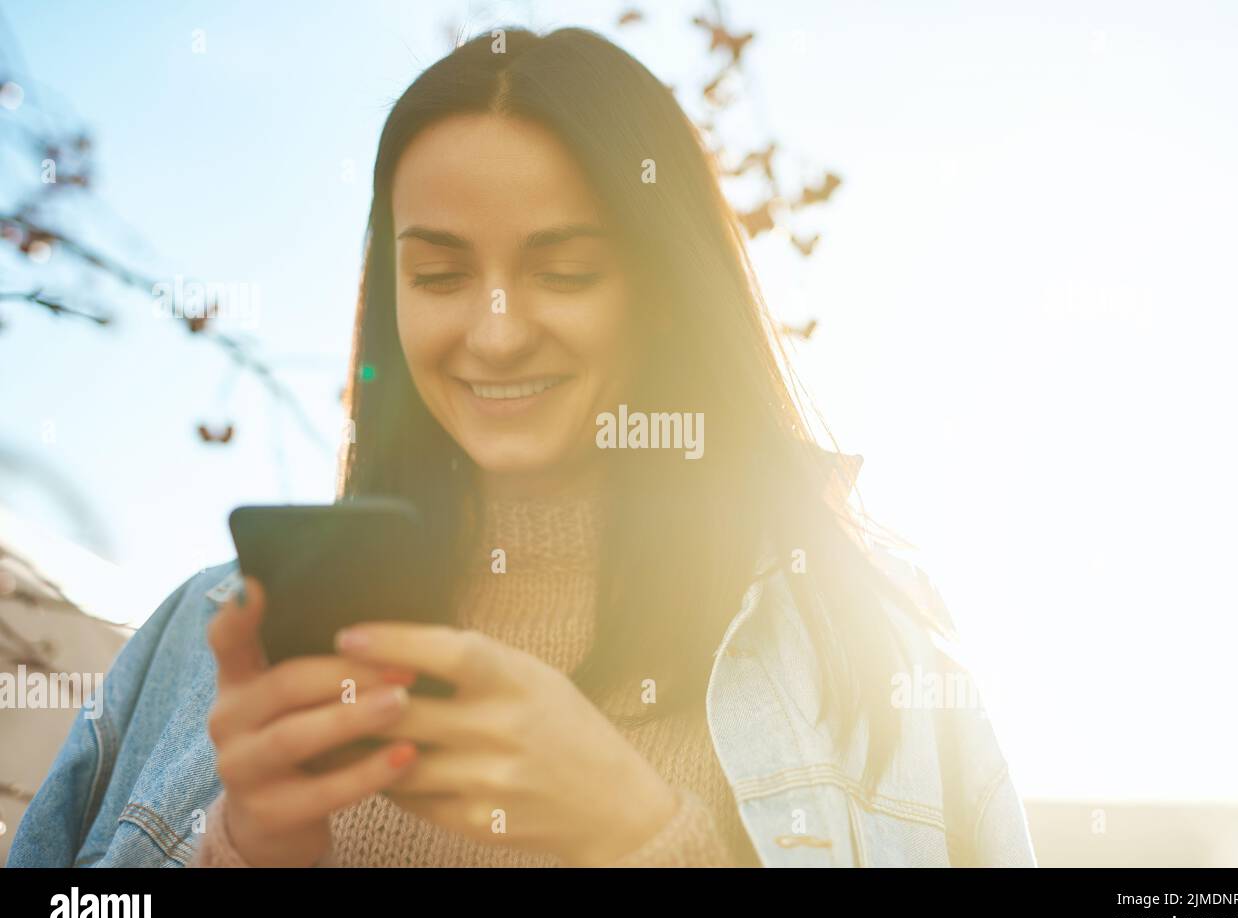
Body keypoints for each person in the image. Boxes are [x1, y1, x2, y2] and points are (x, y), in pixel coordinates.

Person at [7, 26, 1035, 868]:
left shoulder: (863, 637)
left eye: (567, 271)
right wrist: (242, 853)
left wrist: (649, 840)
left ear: (662, 291)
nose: (495, 332)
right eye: (442, 276)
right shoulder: (202, 637)